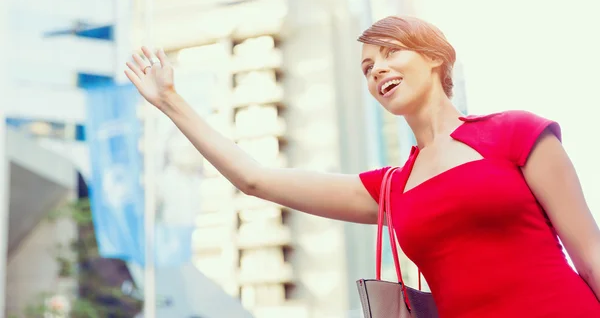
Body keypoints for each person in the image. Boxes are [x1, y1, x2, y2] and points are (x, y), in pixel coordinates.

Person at [125, 16, 600, 317]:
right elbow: (256, 179)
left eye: (391, 52)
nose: (376, 71)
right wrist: (170, 101)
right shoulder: (392, 188)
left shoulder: (514, 132)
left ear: (435, 58)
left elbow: (589, 251)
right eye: (367, 68)